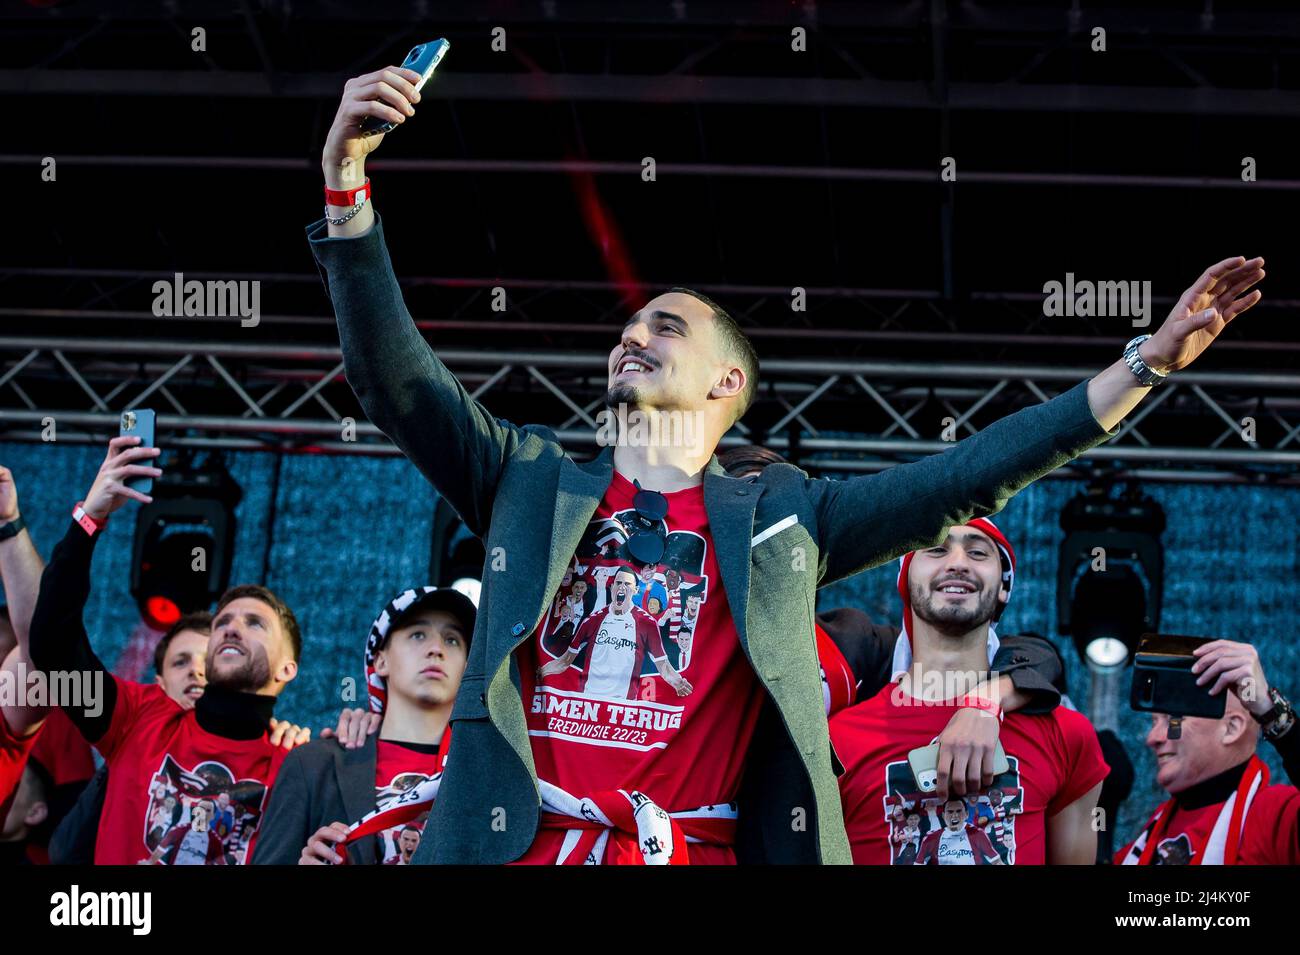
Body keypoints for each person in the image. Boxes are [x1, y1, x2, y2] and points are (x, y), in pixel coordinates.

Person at [310, 59, 1264, 865]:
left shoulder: (787, 519)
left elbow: (973, 471)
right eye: (630, 325)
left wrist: (1142, 366)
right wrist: (347, 183)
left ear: (728, 383)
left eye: (666, 326)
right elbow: (395, 381)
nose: (632, 337)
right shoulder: (525, 479)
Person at [28, 435, 308, 864]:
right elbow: (52, 646)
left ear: (288, 668)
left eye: (255, 623)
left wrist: (354, 726)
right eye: (223, 622)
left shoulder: (298, 767)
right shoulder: (139, 718)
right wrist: (91, 517)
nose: (232, 629)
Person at [831, 522, 1109, 864]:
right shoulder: (837, 742)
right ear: (906, 581)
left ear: (1004, 588)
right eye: (936, 548)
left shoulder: (1067, 735)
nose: (958, 562)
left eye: (978, 552)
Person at [253, 586, 474, 865]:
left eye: (452, 640)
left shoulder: (486, 774)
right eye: (418, 634)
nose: (436, 649)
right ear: (380, 660)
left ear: (467, 667)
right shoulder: (311, 763)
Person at [1115, 639, 1299, 865]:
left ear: (1231, 728)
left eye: (1174, 721)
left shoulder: (1277, 815)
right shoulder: (1149, 833)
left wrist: (1270, 712)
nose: (1152, 738)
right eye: (1154, 722)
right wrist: (1093, 809)